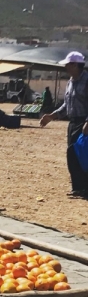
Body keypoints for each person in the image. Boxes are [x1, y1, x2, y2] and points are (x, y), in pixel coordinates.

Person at [40, 52, 88, 198]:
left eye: (68, 64)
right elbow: (67, 105)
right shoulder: (70, 82)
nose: (66, 67)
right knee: (72, 155)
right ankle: (78, 188)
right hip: (73, 123)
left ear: (75, 65)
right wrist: (52, 116)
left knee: (84, 156)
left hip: (84, 124)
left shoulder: (87, 81)